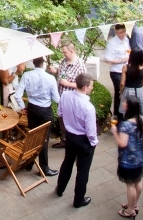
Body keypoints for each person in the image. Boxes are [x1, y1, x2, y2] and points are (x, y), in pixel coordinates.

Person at [55, 73, 97, 208]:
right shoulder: (88, 107)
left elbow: (59, 113)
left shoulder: (65, 96)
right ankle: (78, 200)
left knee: (67, 163)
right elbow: (91, 132)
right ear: (85, 87)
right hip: (84, 140)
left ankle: (60, 189)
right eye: (91, 86)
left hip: (70, 137)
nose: (92, 88)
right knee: (83, 171)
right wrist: (94, 143)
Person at [14, 57, 60, 175]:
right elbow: (56, 98)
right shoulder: (50, 78)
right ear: (43, 64)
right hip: (45, 110)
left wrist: (22, 107)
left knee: (33, 136)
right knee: (44, 139)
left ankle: (29, 163)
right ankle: (44, 168)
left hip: (32, 109)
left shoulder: (27, 75)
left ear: (34, 63)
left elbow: (17, 95)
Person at [112, 94, 143, 218]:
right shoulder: (141, 119)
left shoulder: (125, 125)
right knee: (138, 180)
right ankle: (134, 204)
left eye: (125, 103)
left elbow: (122, 143)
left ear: (129, 107)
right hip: (140, 157)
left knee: (130, 185)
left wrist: (114, 132)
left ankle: (129, 210)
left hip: (128, 160)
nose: (123, 104)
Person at [50, 41, 87, 148]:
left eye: (65, 52)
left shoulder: (80, 65)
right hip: (61, 98)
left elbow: (84, 85)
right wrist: (55, 71)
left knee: (71, 121)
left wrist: (69, 84)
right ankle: (64, 140)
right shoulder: (64, 61)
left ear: (71, 51)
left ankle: (73, 142)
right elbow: (62, 73)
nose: (63, 54)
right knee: (62, 120)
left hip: (72, 100)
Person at [105, 23, 132, 115]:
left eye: (124, 32)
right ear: (116, 32)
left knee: (127, 92)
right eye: (120, 32)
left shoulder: (126, 40)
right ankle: (117, 114)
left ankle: (124, 112)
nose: (122, 34)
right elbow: (108, 60)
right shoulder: (112, 43)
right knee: (120, 92)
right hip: (117, 71)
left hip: (127, 69)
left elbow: (128, 51)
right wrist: (122, 60)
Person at [119, 48, 143, 118]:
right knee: (140, 113)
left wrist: (121, 91)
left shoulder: (125, 67)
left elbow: (122, 83)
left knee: (127, 112)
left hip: (128, 90)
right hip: (139, 91)